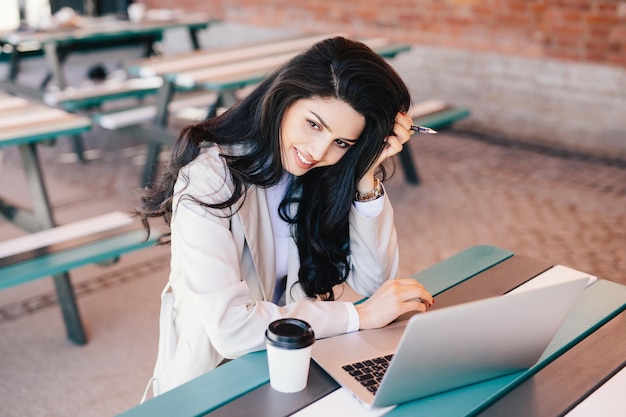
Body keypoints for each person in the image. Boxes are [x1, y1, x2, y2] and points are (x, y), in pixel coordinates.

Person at [138, 36, 434, 398]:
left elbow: (375, 285)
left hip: (299, 368)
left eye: (342, 142)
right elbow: (233, 331)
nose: (318, 152)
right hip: (217, 381)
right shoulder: (209, 177)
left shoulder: (323, 173)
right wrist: (360, 317)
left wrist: (365, 174)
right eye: (314, 125)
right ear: (285, 97)